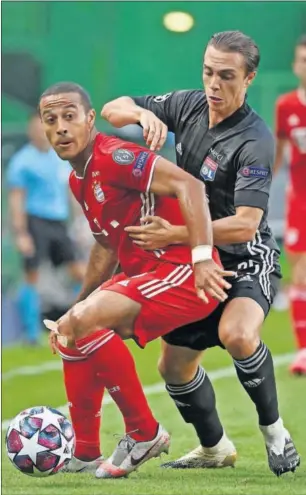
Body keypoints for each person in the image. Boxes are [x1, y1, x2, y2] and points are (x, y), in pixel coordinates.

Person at [101, 30, 300, 477]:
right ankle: (215, 448)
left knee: (238, 335)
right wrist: (137, 113)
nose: (213, 84)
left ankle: (275, 434)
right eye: (208, 72)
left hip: (244, 257)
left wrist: (174, 232)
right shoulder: (189, 104)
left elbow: (247, 222)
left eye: (226, 76)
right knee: (172, 366)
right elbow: (114, 108)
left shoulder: (255, 140)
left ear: (248, 79)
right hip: (192, 258)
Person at [39, 81, 234, 479]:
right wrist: (78, 304)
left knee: (84, 324)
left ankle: (144, 433)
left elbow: (189, 185)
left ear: (90, 120)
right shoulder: (78, 180)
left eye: (69, 116)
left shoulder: (113, 156)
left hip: (180, 271)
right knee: (69, 330)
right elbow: (105, 248)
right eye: (51, 119)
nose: (60, 127)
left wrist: (199, 257)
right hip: (147, 274)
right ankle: (87, 449)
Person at [6, 113, 85, 344]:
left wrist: (80, 219)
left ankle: (81, 323)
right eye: (37, 128)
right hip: (35, 222)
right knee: (32, 276)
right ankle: (31, 334)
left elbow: (70, 190)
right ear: (31, 132)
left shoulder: (58, 157)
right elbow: (16, 199)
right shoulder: (23, 161)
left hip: (58, 223)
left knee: (79, 271)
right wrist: (21, 233)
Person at [273, 35, 306, 375]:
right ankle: (303, 350)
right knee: (301, 272)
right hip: (301, 199)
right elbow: (279, 152)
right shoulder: (287, 106)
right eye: (302, 59)